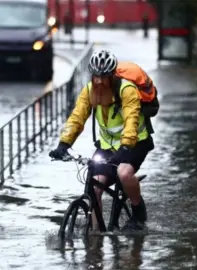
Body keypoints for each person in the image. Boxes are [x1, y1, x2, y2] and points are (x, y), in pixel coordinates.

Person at [49, 50, 155, 230]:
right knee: (94, 186)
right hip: (107, 146)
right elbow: (77, 117)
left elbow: (131, 120)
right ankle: (96, 235)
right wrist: (64, 144)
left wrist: (126, 146)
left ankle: (138, 211)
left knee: (124, 173)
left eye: (103, 76)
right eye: (95, 76)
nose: (98, 80)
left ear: (112, 76)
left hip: (135, 143)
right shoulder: (90, 90)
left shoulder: (127, 90)